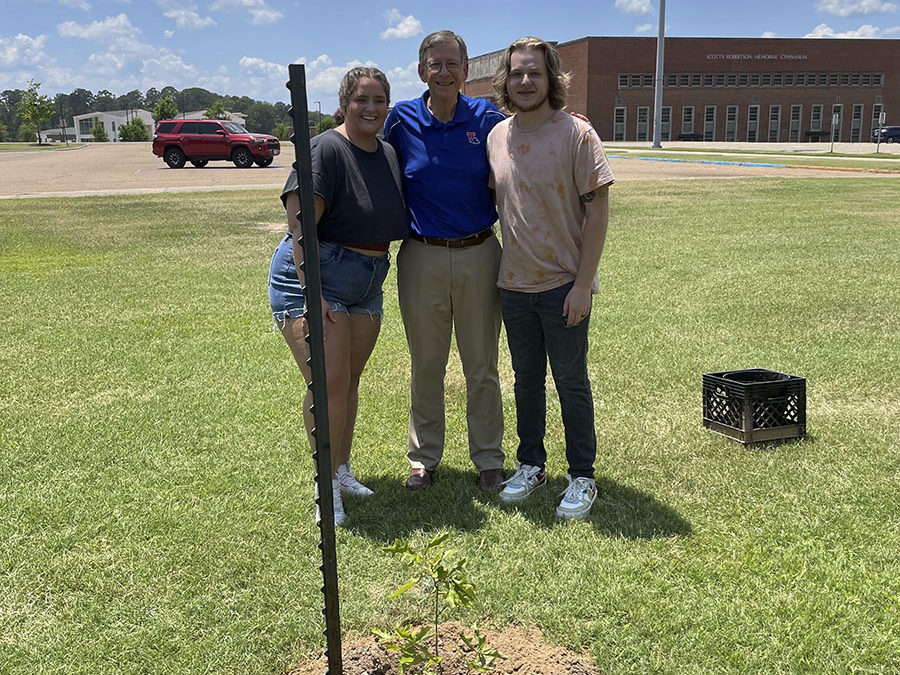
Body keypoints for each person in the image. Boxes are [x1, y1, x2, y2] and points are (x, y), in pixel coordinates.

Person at [268, 67, 407, 525]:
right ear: (344, 103)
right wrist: (314, 294)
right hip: (317, 276)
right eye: (362, 99)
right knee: (326, 385)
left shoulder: (386, 152)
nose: (371, 108)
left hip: (368, 279)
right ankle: (325, 487)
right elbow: (299, 224)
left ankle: (341, 469)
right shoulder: (326, 148)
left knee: (348, 382)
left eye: (380, 100)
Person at [486, 37, 614, 520]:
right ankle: (531, 464)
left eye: (534, 73)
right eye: (517, 73)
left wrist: (584, 284)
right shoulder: (498, 137)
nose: (524, 81)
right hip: (514, 283)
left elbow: (598, 211)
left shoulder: (577, 134)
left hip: (563, 284)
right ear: (506, 79)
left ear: (551, 78)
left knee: (571, 381)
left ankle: (581, 475)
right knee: (526, 380)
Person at [384, 30, 507, 492]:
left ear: (466, 69)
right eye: (435, 64)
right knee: (426, 364)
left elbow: (524, 143)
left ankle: (489, 459)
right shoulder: (401, 120)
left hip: (479, 253)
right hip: (422, 256)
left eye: (452, 63)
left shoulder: (487, 117)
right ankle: (424, 459)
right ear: (421, 71)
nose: (443, 72)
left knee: (482, 365)